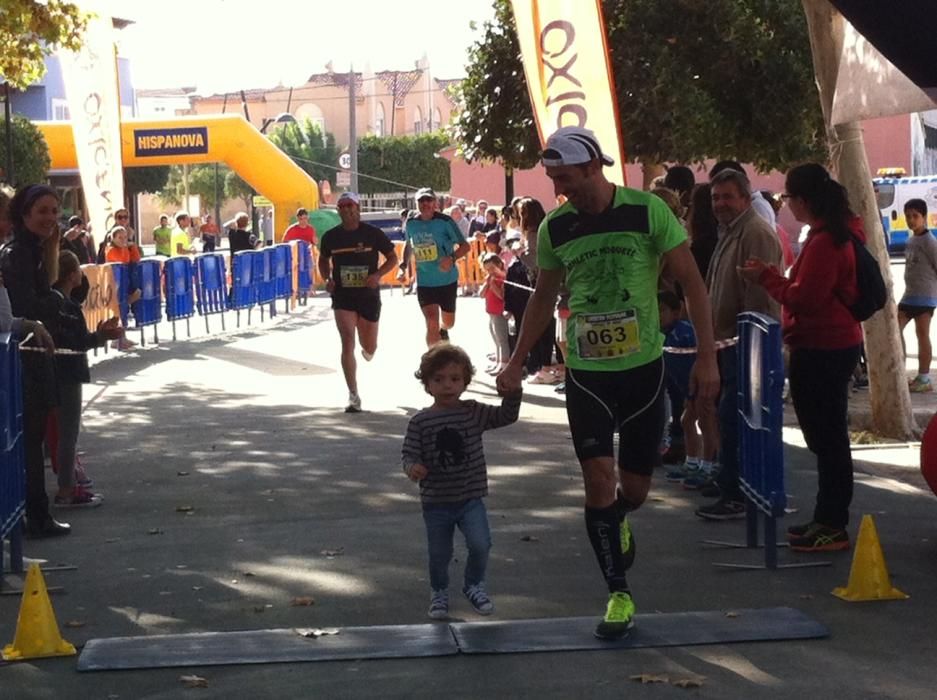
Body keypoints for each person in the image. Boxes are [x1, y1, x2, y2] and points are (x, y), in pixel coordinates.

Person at [496, 126, 719, 639]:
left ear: (594, 167)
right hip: (588, 374)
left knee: (633, 490)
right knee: (597, 478)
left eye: (566, 177)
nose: (559, 188)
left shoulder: (647, 211)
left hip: (642, 370)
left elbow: (692, 283)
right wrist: (516, 361)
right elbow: (542, 298)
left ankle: (620, 515)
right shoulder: (557, 227)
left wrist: (707, 358)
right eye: (553, 179)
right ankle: (618, 593)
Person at [738, 163, 863, 552]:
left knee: (828, 439)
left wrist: (768, 280)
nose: (785, 205)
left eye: (787, 198)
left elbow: (805, 298)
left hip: (825, 345)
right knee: (825, 437)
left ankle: (833, 524)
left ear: (804, 200)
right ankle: (826, 518)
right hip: (823, 343)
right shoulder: (826, 235)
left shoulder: (828, 241)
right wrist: (779, 277)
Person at [402, 343, 522, 619]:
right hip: (436, 502)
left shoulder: (473, 412)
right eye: (439, 379)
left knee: (481, 544)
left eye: (455, 379)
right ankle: (439, 592)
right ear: (427, 384)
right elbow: (409, 452)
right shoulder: (420, 421)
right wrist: (413, 467)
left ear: (466, 381)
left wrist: (513, 392)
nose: (447, 386)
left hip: (470, 499)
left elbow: (506, 416)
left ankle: (474, 585)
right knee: (439, 553)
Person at [694, 167, 782, 521]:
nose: (720, 204)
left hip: (746, 345)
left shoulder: (755, 233)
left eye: (728, 196)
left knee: (736, 419)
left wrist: (750, 346)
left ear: (746, 198)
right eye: (715, 198)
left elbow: (759, 299)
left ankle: (737, 494)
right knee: (727, 416)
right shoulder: (732, 231)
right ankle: (730, 481)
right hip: (726, 343)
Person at [0, 184, 71, 537]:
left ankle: (37, 512)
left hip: (37, 360)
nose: (50, 218)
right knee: (28, 443)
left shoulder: (38, 251)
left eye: (55, 211)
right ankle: (35, 515)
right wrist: (57, 301)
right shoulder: (16, 254)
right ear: (24, 214)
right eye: (42, 210)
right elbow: (26, 307)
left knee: (35, 441)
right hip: (23, 363)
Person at [43, 250, 123, 507]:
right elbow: (77, 342)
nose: (81, 274)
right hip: (68, 372)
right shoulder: (65, 306)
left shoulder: (55, 302)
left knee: (61, 432)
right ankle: (66, 489)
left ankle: (67, 482)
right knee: (68, 433)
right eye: (78, 270)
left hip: (56, 370)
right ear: (69, 275)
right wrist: (102, 336)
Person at [318, 192, 398, 413]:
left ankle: (369, 349)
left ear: (358, 208)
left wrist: (377, 275)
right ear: (338, 211)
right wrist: (327, 279)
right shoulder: (331, 237)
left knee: (368, 347)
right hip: (343, 295)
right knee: (347, 342)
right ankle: (353, 395)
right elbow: (323, 260)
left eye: (350, 205)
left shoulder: (373, 234)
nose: (346, 209)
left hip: (368, 295)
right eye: (342, 206)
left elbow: (393, 258)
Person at [659, 291, 720, 490]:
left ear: (677, 312)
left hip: (702, 387)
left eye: (662, 310)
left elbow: (699, 358)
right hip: (688, 389)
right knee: (687, 421)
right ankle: (692, 462)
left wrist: (698, 389)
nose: (658, 315)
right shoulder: (663, 336)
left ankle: (709, 466)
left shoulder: (685, 332)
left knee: (707, 422)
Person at [399, 188, 470, 345]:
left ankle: (443, 330)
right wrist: (403, 265)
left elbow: (465, 246)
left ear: (435, 203)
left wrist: (451, 258)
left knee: (448, 323)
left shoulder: (445, 222)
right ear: (416, 203)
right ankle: (433, 363)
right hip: (425, 281)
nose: (425, 204)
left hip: (447, 280)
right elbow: (408, 244)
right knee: (431, 323)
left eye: (428, 200)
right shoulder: (411, 223)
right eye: (421, 201)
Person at [897, 198, 937, 392]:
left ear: (924, 217)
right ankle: (899, 370)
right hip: (909, 295)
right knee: (895, 330)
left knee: (922, 335)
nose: (911, 220)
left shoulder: (930, 242)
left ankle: (924, 377)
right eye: (908, 216)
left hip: (924, 296)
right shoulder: (911, 240)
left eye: (915, 216)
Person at [479, 252, 509, 374]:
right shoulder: (490, 279)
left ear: (499, 265)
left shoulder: (503, 278)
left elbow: (502, 296)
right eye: (487, 269)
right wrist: (487, 284)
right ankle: (498, 361)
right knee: (495, 338)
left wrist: (492, 285)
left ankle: (504, 363)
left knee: (502, 339)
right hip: (491, 313)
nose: (490, 271)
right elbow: (481, 295)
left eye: (492, 268)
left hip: (499, 312)